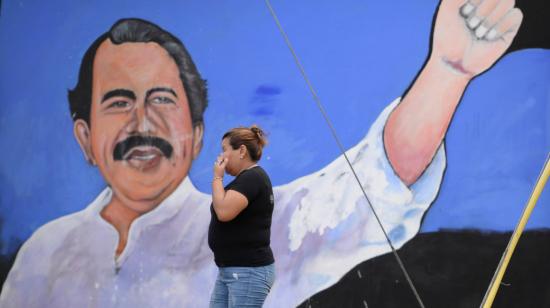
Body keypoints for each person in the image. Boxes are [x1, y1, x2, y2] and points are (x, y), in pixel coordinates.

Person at [0, 0, 523, 306]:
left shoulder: (249, 229)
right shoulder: (41, 259)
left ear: (198, 133)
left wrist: (446, 72)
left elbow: (363, 194)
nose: (142, 123)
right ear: (85, 137)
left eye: (162, 99)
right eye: (119, 102)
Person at [208, 126, 275, 307]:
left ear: (242, 151)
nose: (221, 156)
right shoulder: (246, 179)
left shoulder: (252, 178)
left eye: (225, 149)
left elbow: (223, 211)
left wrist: (217, 178)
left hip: (248, 270)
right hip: (232, 270)